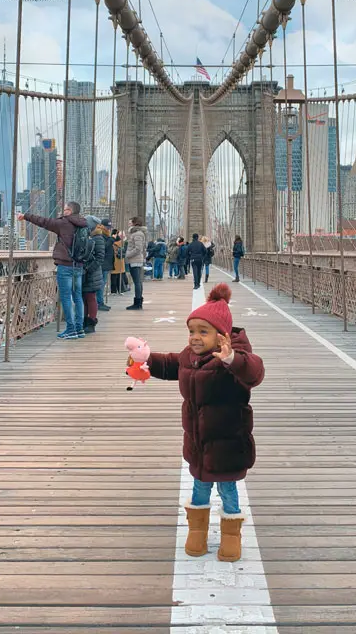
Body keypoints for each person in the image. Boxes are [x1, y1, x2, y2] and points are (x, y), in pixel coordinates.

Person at [146, 283, 264, 561]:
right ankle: (196, 532)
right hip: (198, 442)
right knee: (199, 486)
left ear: (222, 336)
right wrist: (147, 360)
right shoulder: (190, 357)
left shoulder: (234, 361)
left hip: (227, 445)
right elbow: (171, 364)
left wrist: (232, 360)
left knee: (227, 490)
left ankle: (231, 535)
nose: (195, 338)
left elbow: (254, 372)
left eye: (203, 332)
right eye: (191, 331)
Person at [18, 201, 88, 340]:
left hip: (65, 265)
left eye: (65, 209)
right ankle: (79, 329)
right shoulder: (84, 224)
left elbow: (43, 221)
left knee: (66, 297)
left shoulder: (63, 223)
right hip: (78, 265)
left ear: (69, 211)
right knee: (78, 296)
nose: (63, 212)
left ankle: (70, 329)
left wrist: (25, 216)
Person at [82, 215, 105, 334]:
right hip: (85, 272)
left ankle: (91, 322)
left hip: (92, 273)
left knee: (90, 298)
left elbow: (100, 258)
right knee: (84, 298)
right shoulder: (88, 236)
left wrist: (88, 269)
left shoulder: (98, 238)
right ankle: (84, 322)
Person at [125, 216, 147, 311]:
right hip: (136, 260)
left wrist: (128, 254)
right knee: (138, 282)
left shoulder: (137, 234)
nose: (129, 224)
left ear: (135, 223)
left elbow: (138, 248)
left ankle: (137, 303)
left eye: (130, 223)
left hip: (135, 260)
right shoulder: (137, 233)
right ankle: (138, 302)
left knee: (137, 282)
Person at [98, 218, 114, 311]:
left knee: (102, 283)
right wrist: (111, 239)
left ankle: (100, 302)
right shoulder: (100, 234)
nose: (109, 229)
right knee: (101, 284)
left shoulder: (106, 234)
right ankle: (99, 303)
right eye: (107, 227)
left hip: (106, 263)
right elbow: (103, 247)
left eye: (109, 227)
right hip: (103, 263)